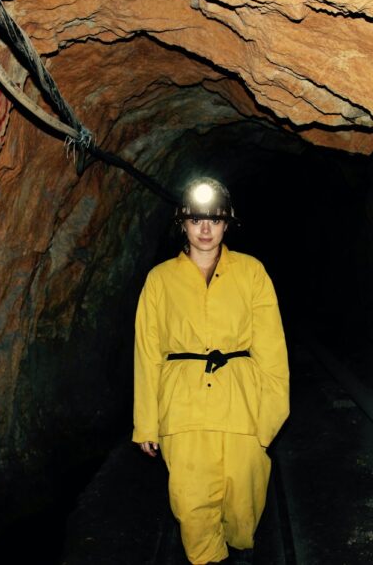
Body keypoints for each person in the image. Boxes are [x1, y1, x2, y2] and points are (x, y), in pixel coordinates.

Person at [133, 177, 290, 564]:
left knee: (242, 512)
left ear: (227, 223)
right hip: (183, 411)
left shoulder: (252, 273)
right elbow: (147, 353)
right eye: (197, 219)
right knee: (192, 510)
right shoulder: (160, 280)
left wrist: (270, 419)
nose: (205, 229)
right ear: (182, 223)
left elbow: (272, 351)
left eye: (215, 219)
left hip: (243, 408)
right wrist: (146, 424)